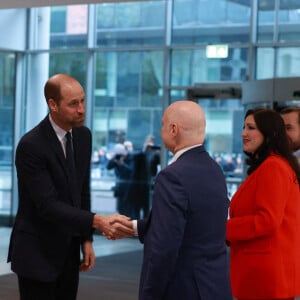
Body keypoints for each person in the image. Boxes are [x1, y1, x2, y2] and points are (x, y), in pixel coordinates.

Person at [7, 74, 134, 300]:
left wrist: (86, 239)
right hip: (36, 253)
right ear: (52, 105)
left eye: (83, 101)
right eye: (73, 103)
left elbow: (81, 192)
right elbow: (47, 205)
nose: (81, 109)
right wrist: (97, 221)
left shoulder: (83, 136)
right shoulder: (31, 145)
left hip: (68, 250)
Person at [129, 100, 232, 299]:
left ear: (173, 129)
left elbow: (164, 249)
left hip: (183, 289)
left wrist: (149, 295)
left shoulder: (172, 176)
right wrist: (135, 227)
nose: (161, 131)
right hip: (214, 287)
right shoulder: (214, 170)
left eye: (162, 125)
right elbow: (196, 227)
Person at [226, 108, 300, 300]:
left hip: (265, 279)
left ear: (269, 134)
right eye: (244, 127)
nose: (243, 133)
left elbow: (267, 220)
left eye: (251, 128)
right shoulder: (272, 166)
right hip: (263, 276)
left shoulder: (273, 167)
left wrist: (222, 228)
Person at [107, 143, 134, 216]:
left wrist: (122, 164)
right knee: (120, 209)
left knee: (128, 211)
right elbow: (108, 167)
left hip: (128, 189)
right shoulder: (117, 158)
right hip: (119, 188)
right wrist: (113, 158)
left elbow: (131, 171)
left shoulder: (131, 157)